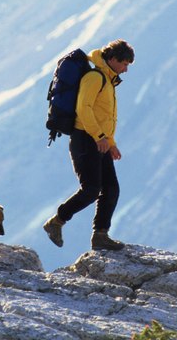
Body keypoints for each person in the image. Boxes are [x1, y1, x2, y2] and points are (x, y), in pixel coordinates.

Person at [43, 39, 135, 251]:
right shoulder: (94, 78)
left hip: (99, 140)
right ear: (112, 59)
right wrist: (100, 137)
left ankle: (100, 236)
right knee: (92, 189)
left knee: (111, 188)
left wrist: (110, 143)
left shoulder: (109, 81)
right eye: (124, 64)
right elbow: (84, 110)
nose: (126, 69)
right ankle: (56, 222)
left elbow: (104, 116)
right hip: (85, 139)